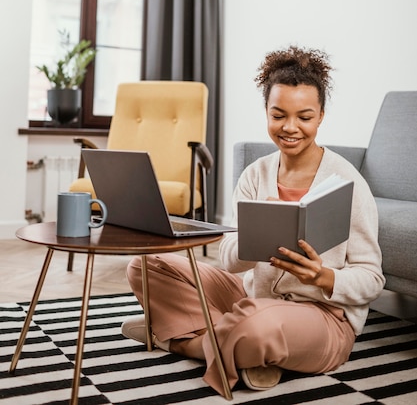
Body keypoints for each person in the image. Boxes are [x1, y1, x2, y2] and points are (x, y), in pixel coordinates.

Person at [122, 45, 385, 395]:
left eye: (304, 117)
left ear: (321, 116)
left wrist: (324, 277)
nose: (290, 128)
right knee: (145, 266)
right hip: (250, 296)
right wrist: (259, 236)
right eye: (278, 115)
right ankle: (236, 345)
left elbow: (372, 279)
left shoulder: (348, 183)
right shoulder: (254, 175)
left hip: (322, 317)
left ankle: (181, 340)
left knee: (256, 325)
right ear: (266, 112)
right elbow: (229, 261)